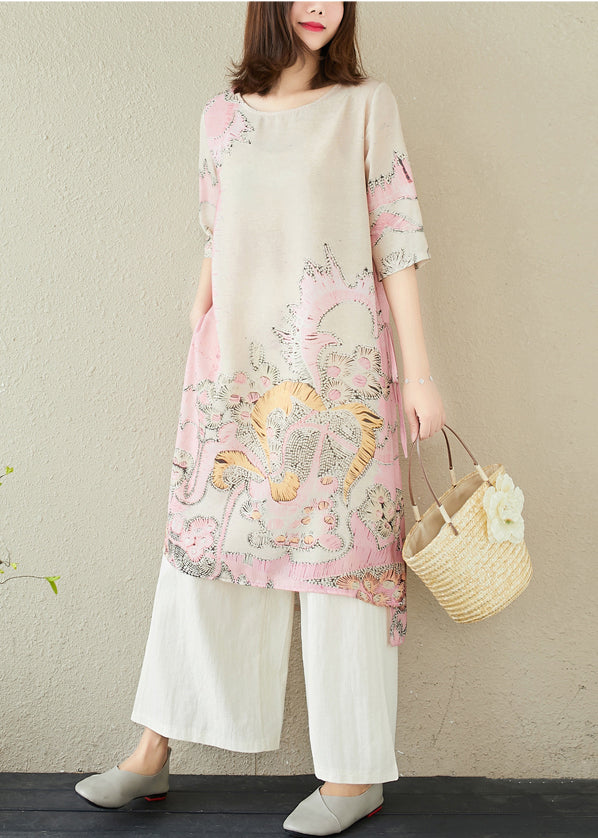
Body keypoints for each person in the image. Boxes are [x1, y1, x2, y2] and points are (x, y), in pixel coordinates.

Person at [74, 2, 445, 835]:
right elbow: (218, 230)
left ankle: (354, 777)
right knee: (207, 546)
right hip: (235, 373)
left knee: (342, 565)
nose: (320, 5)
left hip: (339, 377)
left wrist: (419, 376)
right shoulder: (220, 118)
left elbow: (397, 241)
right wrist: (200, 308)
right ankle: (152, 751)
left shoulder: (365, 106)